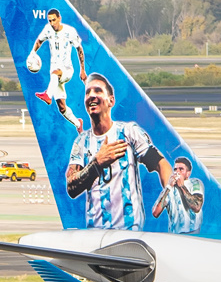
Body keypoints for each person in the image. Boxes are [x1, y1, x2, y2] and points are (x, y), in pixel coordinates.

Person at [65, 73, 172, 230]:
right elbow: (71, 188)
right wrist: (96, 164)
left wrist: (170, 195)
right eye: (87, 92)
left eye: (97, 91)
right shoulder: (81, 142)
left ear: (111, 101)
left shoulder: (128, 132)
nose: (91, 95)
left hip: (128, 233)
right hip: (95, 235)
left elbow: (160, 164)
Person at [29, 8, 86, 132]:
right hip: (54, 73)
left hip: (66, 70)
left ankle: (47, 95)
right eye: (50, 20)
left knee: (56, 73)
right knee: (62, 107)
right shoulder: (48, 29)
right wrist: (33, 52)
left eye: (54, 20)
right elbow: (39, 41)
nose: (52, 23)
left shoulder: (70, 31)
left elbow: (79, 49)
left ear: (59, 18)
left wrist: (82, 70)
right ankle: (78, 124)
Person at [153, 155, 205, 233]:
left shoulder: (195, 183)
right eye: (175, 169)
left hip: (192, 233)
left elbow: (196, 207)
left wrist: (182, 186)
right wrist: (168, 187)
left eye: (181, 169)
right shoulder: (169, 189)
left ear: (188, 173)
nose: (177, 172)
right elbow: (155, 213)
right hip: (175, 235)